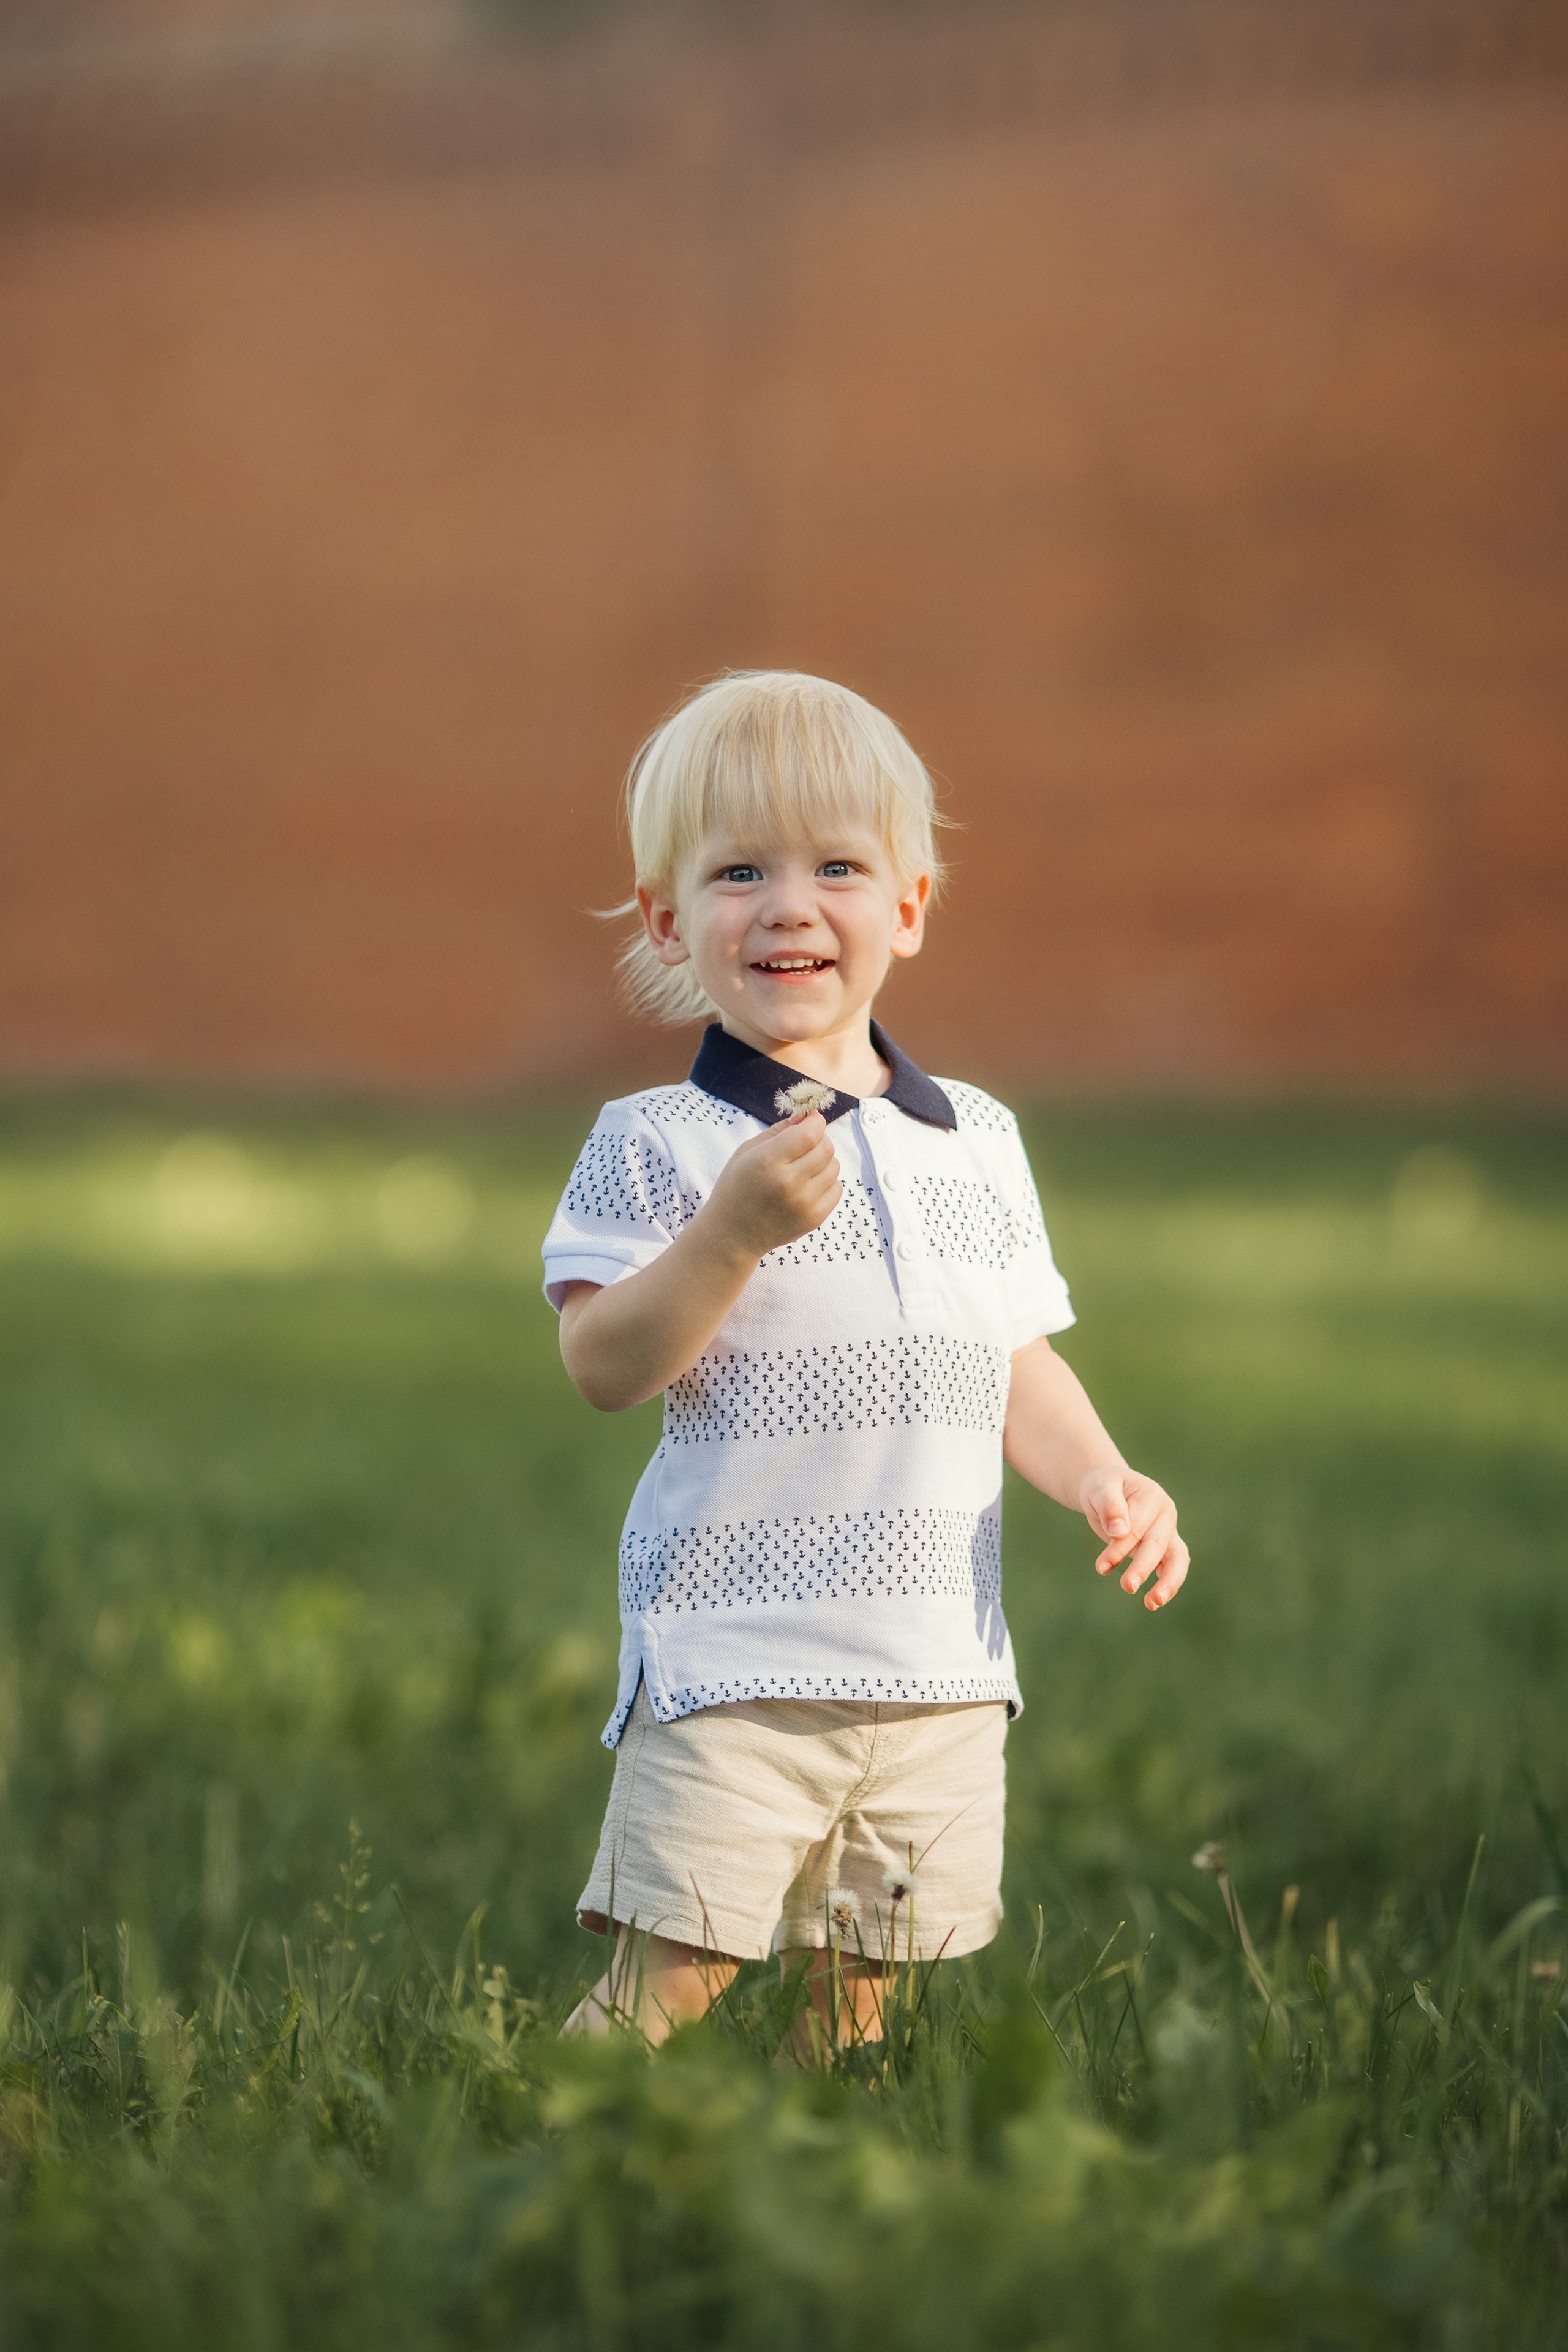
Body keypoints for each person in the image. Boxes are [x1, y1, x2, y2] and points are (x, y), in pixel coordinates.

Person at [543, 671, 1188, 2045]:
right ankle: (549, 2165)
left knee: (861, 1998)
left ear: (905, 904)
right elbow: (602, 1363)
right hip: (737, 1664)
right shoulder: (657, 1142)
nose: (787, 903)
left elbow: (1014, 1359)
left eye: (835, 865)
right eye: (738, 871)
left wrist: (1103, 1478)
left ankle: (831, 2204)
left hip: (941, 1667)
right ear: (667, 920)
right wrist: (725, 1237)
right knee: (673, 1979)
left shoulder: (977, 1140)